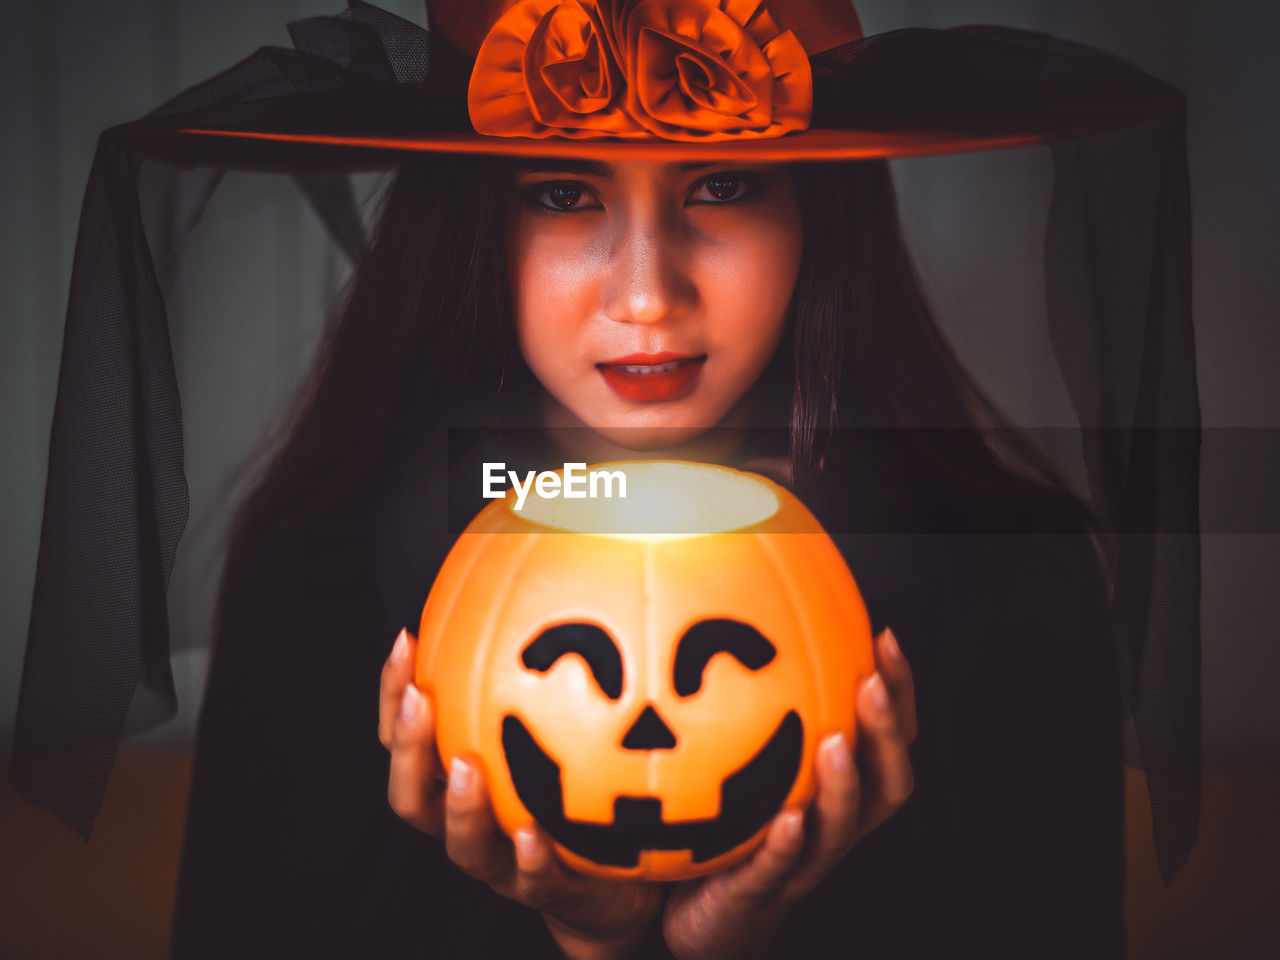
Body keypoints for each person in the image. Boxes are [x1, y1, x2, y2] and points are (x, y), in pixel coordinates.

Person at [11, 2, 1201, 957]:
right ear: (475, 220)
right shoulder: (315, 573)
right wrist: (582, 944)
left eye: (722, 184)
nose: (646, 294)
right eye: (564, 192)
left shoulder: (1014, 574)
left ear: (819, 213)